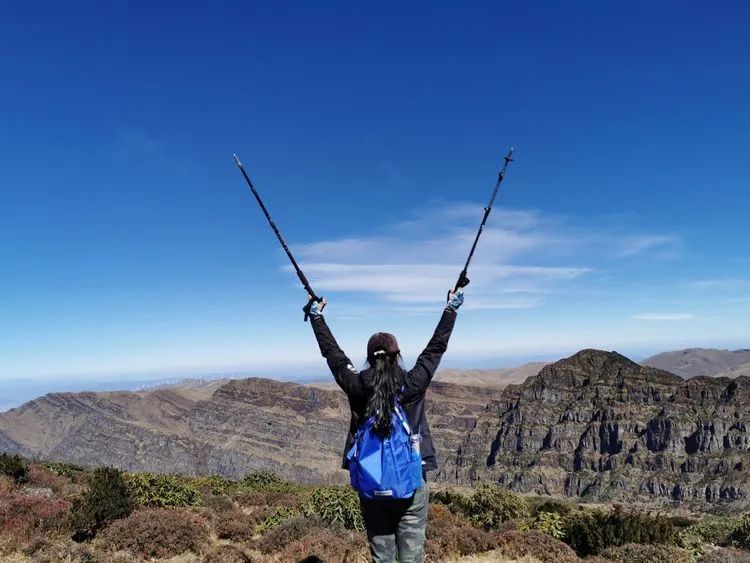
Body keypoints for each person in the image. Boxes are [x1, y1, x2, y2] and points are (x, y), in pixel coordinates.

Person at [307, 289, 464, 563]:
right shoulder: (413, 382)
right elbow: (435, 349)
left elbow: (333, 355)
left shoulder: (355, 385)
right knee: (411, 557)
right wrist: (451, 309)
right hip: (411, 484)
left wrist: (317, 318)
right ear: (397, 355)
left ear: (369, 357)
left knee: (382, 558)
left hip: (371, 485)